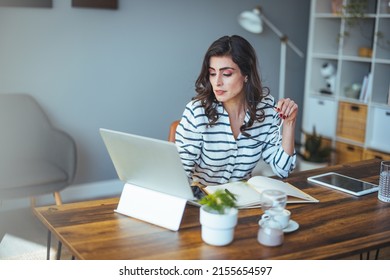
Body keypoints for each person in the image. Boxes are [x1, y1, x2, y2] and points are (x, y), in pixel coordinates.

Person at [175, 35, 298, 196]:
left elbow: (284, 170)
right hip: (203, 203)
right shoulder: (197, 111)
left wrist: (289, 123)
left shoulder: (266, 109)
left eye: (226, 74)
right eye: (212, 73)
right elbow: (179, 173)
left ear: (246, 74)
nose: (217, 82)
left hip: (243, 203)